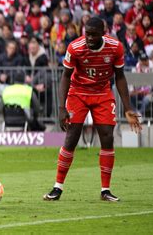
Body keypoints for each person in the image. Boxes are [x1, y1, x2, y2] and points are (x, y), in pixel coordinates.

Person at [43, 17, 142, 202]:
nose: (88, 37)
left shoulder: (115, 47)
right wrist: (61, 107)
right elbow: (65, 76)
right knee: (72, 137)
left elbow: (120, 77)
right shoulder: (75, 47)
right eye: (86, 33)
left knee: (107, 136)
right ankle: (57, 187)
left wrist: (128, 108)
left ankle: (105, 190)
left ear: (103, 34)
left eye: (93, 34)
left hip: (102, 93)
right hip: (78, 93)